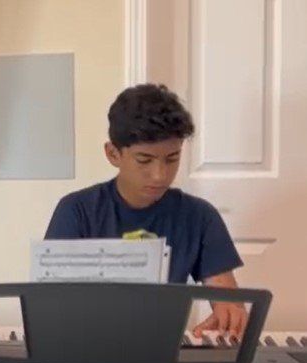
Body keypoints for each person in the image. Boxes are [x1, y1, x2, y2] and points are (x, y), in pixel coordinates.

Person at [45, 83, 248, 339]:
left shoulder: (200, 216)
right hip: (87, 350)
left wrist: (230, 314)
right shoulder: (76, 211)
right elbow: (51, 309)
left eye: (172, 159)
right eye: (144, 160)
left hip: (162, 353)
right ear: (113, 154)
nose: (160, 175)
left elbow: (228, 300)